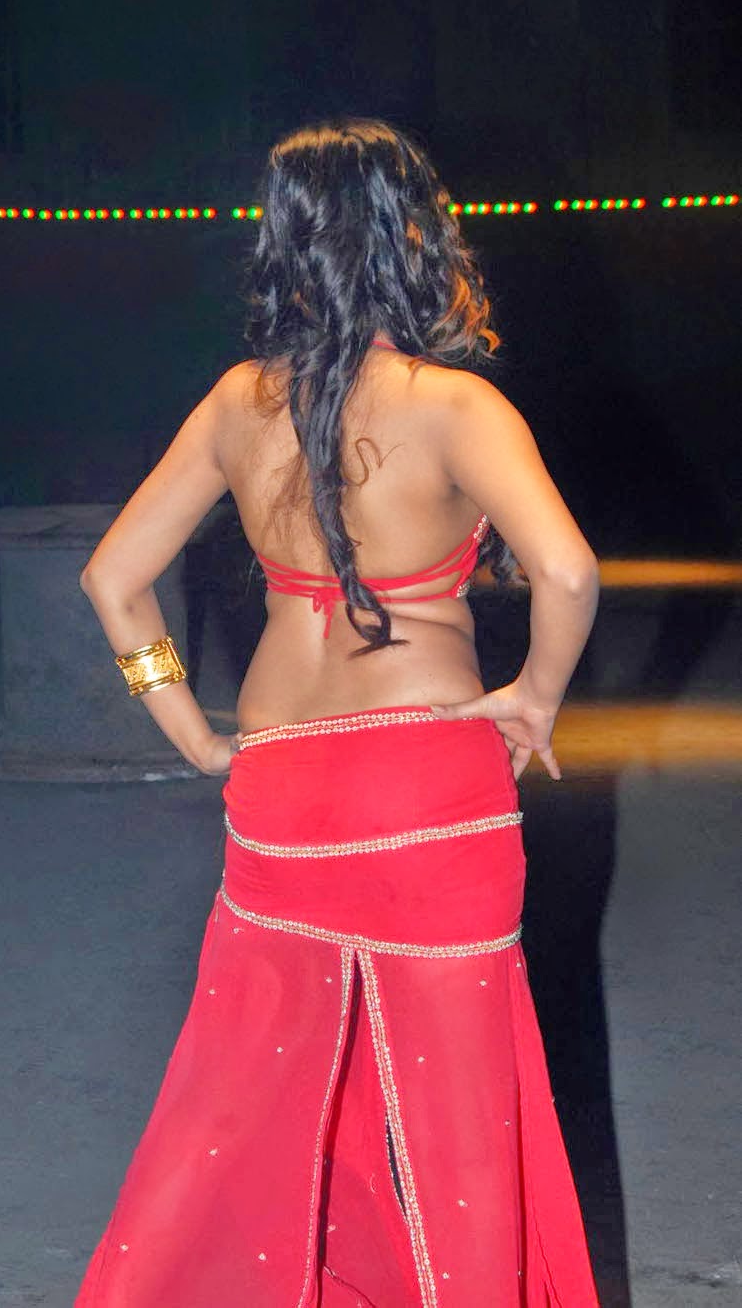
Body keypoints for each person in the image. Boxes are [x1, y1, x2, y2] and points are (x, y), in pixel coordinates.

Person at [74, 119, 601, 1307]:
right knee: (461, 1123)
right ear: (416, 234)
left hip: (282, 790)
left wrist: (190, 729)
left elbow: (113, 578)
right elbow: (568, 572)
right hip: (429, 788)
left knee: (248, 1093)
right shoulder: (456, 406)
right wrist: (533, 698)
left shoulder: (235, 402)